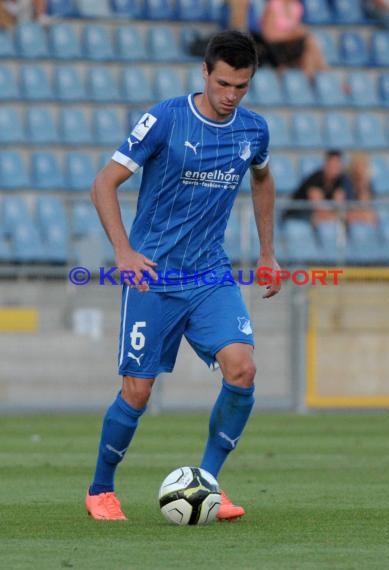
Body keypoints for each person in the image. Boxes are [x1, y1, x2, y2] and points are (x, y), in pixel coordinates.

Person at [86, 30, 281, 522]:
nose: (230, 95)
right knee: (138, 391)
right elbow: (104, 182)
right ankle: (101, 491)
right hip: (152, 275)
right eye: (222, 84)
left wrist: (267, 253)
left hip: (210, 275)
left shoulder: (253, 130)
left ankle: (210, 483)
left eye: (241, 86)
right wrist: (124, 251)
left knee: (244, 370)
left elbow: (262, 179)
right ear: (205, 73)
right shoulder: (165, 119)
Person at [260, 0, 328, 80]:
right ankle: (322, 75)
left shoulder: (296, 6)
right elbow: (269, 36)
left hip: (291, 47)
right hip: (275, 48)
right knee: (310, 43)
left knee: (309, 48)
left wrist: (298, 33)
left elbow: (295, 29)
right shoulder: (273, 6)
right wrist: (292, 35)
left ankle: (313, 78)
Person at [285, 150, 353, 224]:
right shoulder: (315, 179)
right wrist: (337, 216)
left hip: (320, 215)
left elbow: (339, 206)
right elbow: (319, 208)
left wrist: (338, 215)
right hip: (298, 214)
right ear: (326, 164)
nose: (335, 168)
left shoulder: (340, 181)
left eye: (338, 164)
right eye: (333, 164)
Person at [345, 153, 377, 226]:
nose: (361, 169)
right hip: (349, 212)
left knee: (371, 216)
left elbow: (366, 203)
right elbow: (348, 205)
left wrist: (363, 184)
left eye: (364, 165)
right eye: (359, 165)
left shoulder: (368, 183)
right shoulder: (346, 182)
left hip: (361, 212)